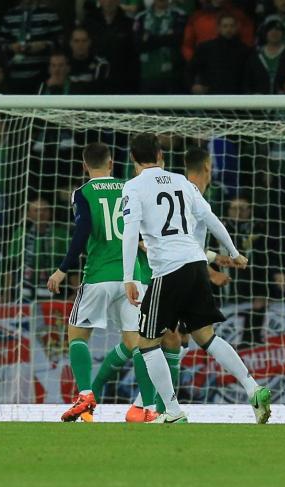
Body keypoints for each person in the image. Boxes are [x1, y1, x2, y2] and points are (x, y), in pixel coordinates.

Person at [121, 133, 269, 424]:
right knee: (206, 335)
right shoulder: (181, 181)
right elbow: (212, 218)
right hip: (196, 264)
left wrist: (128, 277)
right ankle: (252, 386)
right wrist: (235, 252)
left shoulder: (133, 187)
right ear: (161, 155)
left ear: (133, 159)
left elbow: (130, 232)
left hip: (168, 268)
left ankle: (173, 411)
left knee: (146, 342)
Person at [45, 143, 160, 423]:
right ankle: (145, 409)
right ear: (111, 164)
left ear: (86, 167)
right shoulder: (129, 187)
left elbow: (82, 231)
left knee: (77, 335)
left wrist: (62, 269)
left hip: (97, 277)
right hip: (130, 278)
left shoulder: (82, 193)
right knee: (138, 344)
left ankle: (85, 396)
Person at [0, 0, 62, 93]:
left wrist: (44, 45)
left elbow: (60, 42)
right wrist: (12, 47)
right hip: (15, 76)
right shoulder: (10, 15)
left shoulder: (49, 14)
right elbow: (1, 45)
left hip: (42, 74)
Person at [133, 0, 188, 94]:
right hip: (147, 74)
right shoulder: (141, 17)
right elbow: (138, 45)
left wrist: (149, 38)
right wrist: (166, 38)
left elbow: (177, 40)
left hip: (172, 75)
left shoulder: (179, 15)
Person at [83, 0, 136, 93]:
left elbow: (133, 54)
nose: (108, 2)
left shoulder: (129, 23)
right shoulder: (88, 21)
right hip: (93, 79)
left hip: (122, 81)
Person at [190, 14, 250, 94]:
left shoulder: (245, 51)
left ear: (236, 28)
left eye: (232, 26)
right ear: (218, 28)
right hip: (211, 96)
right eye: (225, 26)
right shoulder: (205, 48)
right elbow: (190, 70)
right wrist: (193, 85)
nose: (229, 29)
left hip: (237, 97)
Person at [182, 0, 254, 63]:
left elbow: (247, 44)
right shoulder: (196, 18)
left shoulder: (239, 16)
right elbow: (187, 46)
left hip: (233, 68)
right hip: (204, 69)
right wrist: (196, 63)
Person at [244, 19, 285, 94]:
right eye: (271, 30)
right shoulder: (255, 56)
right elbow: (247, 81)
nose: (274, 32)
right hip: (259, 102)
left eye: (278, 30)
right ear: (265, 33)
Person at [66, 27, 110, 94]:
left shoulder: (100, 63)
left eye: (84, 41)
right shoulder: (62, 63)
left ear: (89, 42)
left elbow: (99, 91)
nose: (80, 45)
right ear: (71, 43)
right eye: (76, 41)